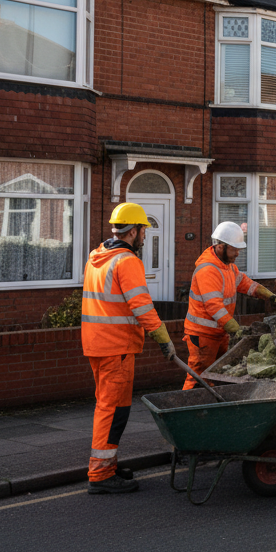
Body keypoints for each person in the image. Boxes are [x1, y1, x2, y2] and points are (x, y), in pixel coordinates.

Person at [81, 202, 177, 495]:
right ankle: (100, 474)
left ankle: (107, 466)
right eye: (143, 231)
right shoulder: (127, 262)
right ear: (133, 231)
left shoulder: (97, 257)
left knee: (109, 407)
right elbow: (142, 307)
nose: (145, 236)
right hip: (117, 348)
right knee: (113, 410)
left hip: (98, 344)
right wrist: (164, 339)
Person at [184, 221, 276, 389]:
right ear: (220, 247)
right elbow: (214, 306)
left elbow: (244, 283)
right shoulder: (208, 270)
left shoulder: (228, 267)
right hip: (203, 335)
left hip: (219, 333)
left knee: (217, 376)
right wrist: (236, 329)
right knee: (198, 379)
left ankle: (210, 411)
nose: (238, 253)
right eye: (234, 249)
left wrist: (266, 294)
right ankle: (185, 413)